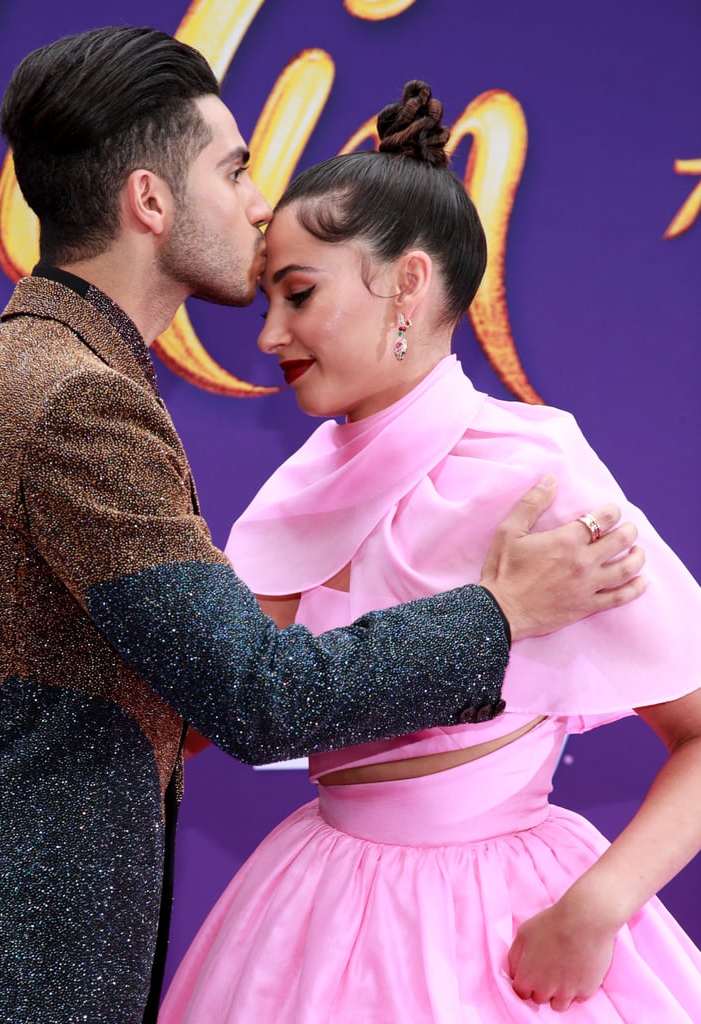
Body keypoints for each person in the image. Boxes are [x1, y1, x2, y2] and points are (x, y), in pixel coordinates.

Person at [0, 29, 643, 1024]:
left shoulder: (19, 374)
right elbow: (254, 695)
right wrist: (498, 610)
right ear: (148, 201)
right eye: (233, 168)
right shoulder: (73, 401)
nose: (256, 203)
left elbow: (187, 691)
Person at [159, 81, 701, 1022]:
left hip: (504, 928)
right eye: (265, 304)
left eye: (297, 295)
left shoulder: (536, 471)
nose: (271, 336)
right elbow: (206, 722)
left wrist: (597, 909)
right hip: (309, 914)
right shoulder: (299, 489)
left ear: (407, 283)